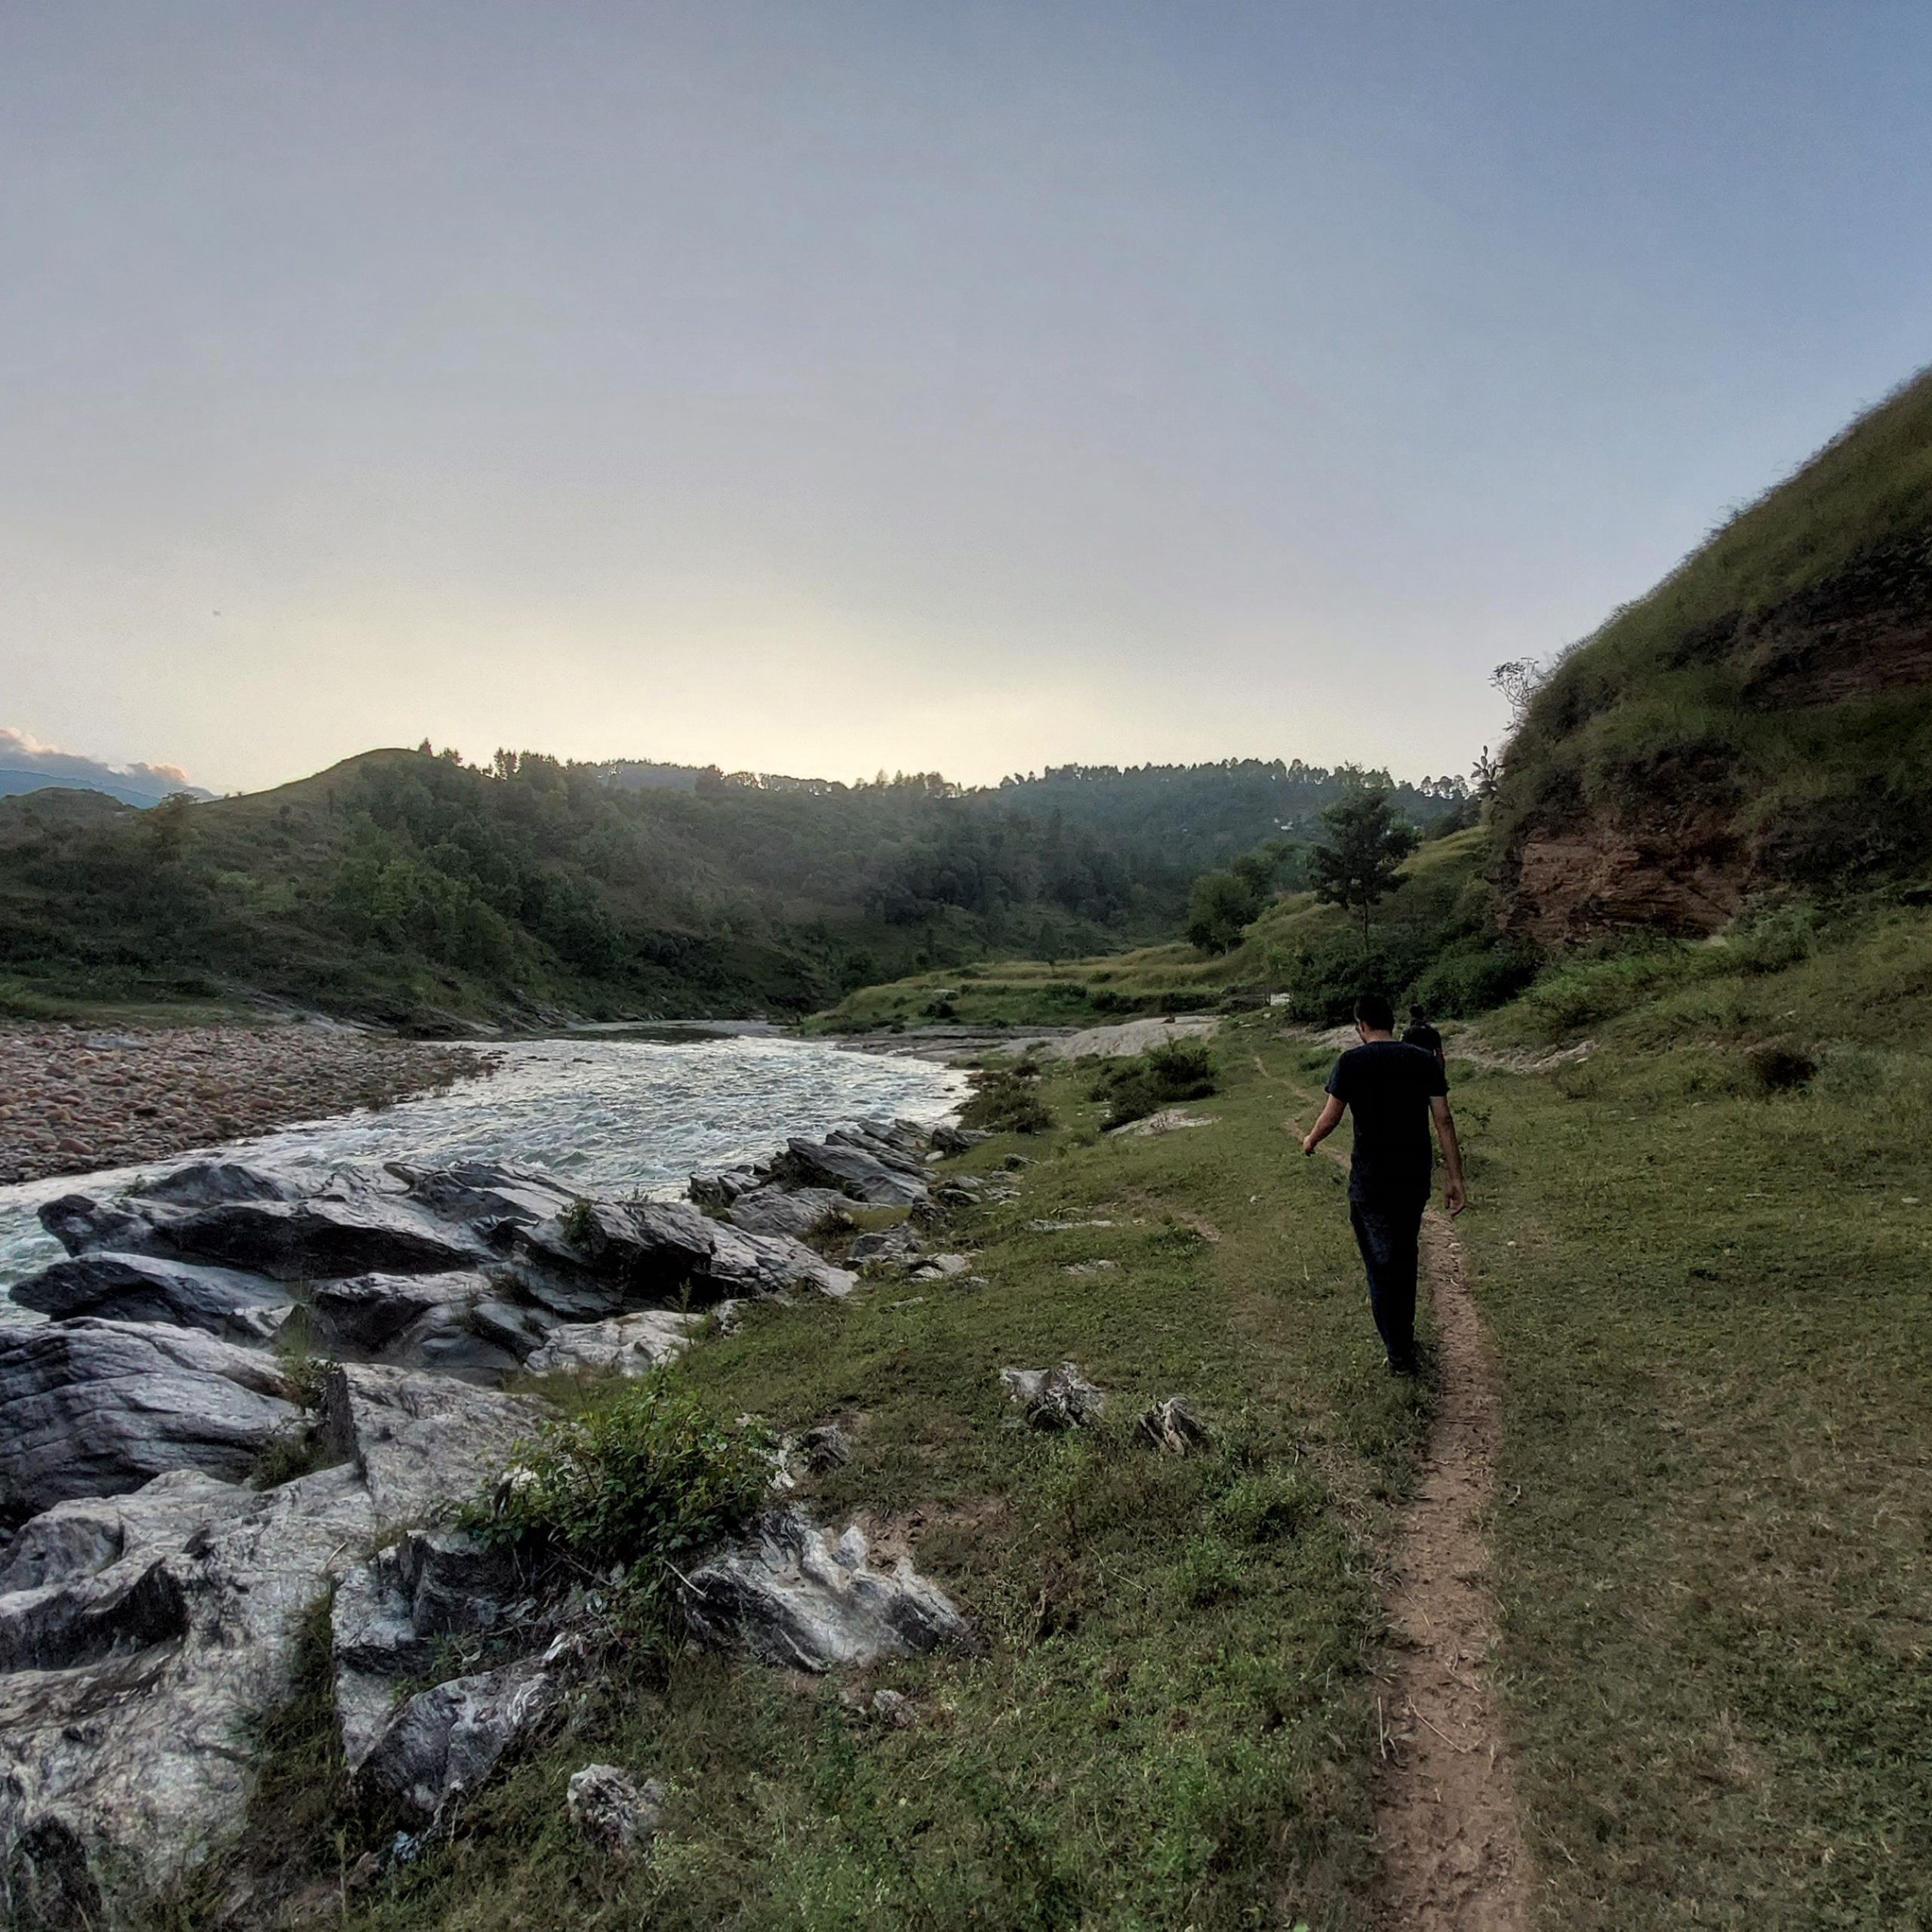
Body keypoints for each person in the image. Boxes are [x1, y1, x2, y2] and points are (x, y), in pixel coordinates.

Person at [1302, 992, 1466, 1375]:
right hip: (1413, 1178)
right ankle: (1404, 1341)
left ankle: (1400, 1355)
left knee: (1380, 1265)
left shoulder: (1351, 1062)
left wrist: (1310, 1140)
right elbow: (1443, 1119)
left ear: (1361, 1026)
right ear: (1392, 1022)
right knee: (1404, 1257)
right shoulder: (1423, 1059)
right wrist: (1455, 1177)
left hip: (1371, 1180)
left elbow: (1331, 1117)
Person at [1401, 1003, 1445, 1072]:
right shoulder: (1433, 1032)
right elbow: (1439, 1054)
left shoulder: (1408, 1033)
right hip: (1429, 1067)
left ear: (1411, 1016)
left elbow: (1402, 1052)